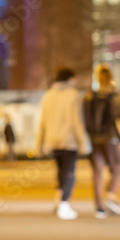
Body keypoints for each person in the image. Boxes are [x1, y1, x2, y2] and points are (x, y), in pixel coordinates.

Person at [37, 68, 90, 220]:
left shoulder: (48, 95)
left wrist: (39, 143)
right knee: (69, 173)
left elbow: (43, 121)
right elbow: (76, 121)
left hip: (53, 140)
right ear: (69, 79)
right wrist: (84, 143)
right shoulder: (73, 95)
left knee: (60, 172)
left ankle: (58, 199)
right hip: (69, 140)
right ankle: (64, 203)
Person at [84, 65, 120, 219]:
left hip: (94, 138)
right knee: (117, 168)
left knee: (97, 172)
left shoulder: (89, 96)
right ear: (111, 78)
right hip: (111, 138)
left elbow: (84, 118)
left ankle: (99, 208)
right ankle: (111, 195)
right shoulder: (116, 96)